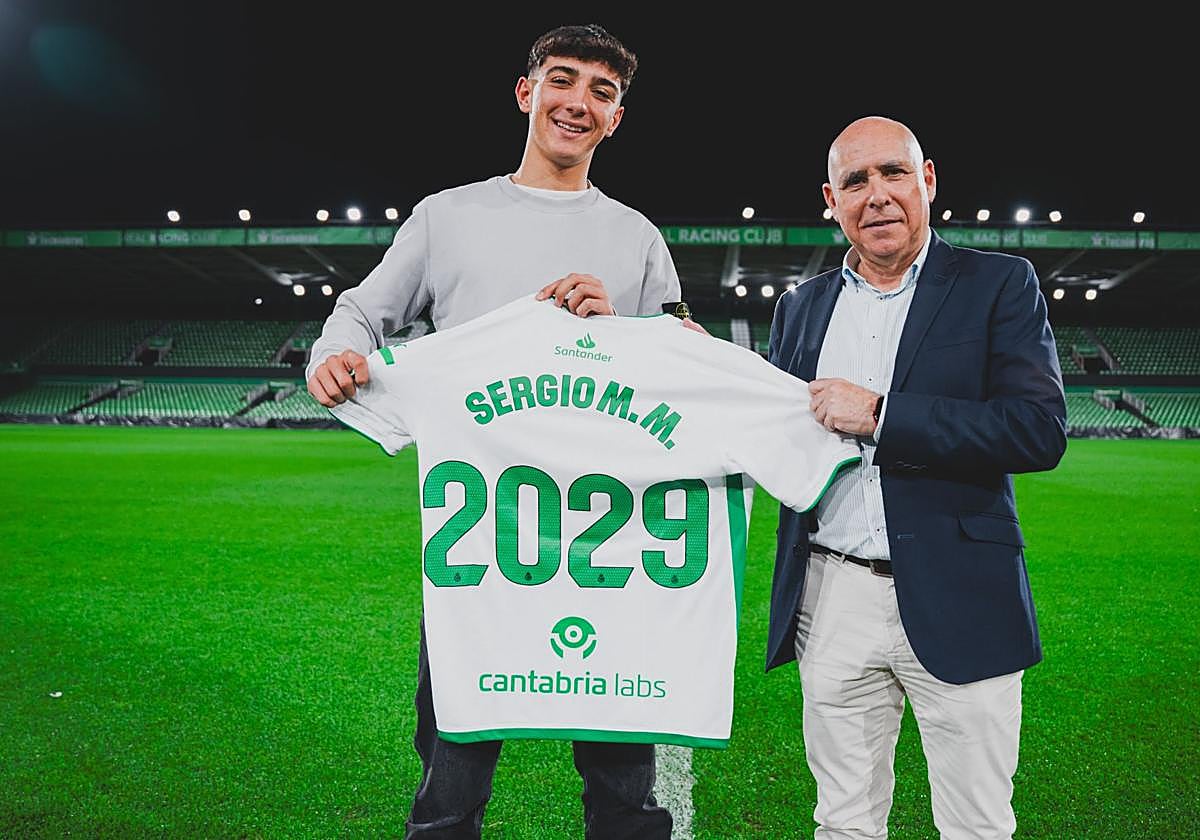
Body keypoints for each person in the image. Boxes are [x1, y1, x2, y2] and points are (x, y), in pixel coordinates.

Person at [305, 24, 684, 840]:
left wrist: (620, 328)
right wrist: (335, 355)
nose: (579, 102)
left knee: (623, 780)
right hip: (479, 542)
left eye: (603, 91)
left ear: (617, 117)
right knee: (451, 778)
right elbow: (363, 313)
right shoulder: (448, 218)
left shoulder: (637, 238)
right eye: (563, 79)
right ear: (527, 92)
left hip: (608, 547)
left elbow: (682, 371)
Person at [766, 115, 1067, 839]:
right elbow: (764, 426)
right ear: (830, 202)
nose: (877, 195)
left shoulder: (999, 284)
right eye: (855, 181)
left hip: (961, 593)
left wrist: (882, 414)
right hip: (831, 595)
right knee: (842, 821)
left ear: (927, 180)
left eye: (893, 173)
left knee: (976, 826)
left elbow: (1037, 429)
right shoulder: (801, 307)